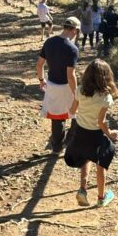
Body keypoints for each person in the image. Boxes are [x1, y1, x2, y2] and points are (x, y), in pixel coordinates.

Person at [64, 59, 118, 207]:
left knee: (86, 157)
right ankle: (101, 198)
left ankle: (82, 190)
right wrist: (110, 133)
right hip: (96, 135)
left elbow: (73, 110)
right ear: (106, 77)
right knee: (101, 163)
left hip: (80, 132)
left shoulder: (80, 90)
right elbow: (101, 122)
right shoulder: (105, 97)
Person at [36, 17, 81, 154]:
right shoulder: (72, 49)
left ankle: (57, 147)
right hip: (66, 86)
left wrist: (41, 80)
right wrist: (76, 93)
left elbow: (39, 65)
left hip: (52, 85)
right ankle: (70, 141)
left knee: (57, 117)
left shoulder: (49, 42)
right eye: (77, 31)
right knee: (76, 113)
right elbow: (70, 75)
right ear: (74, 30)